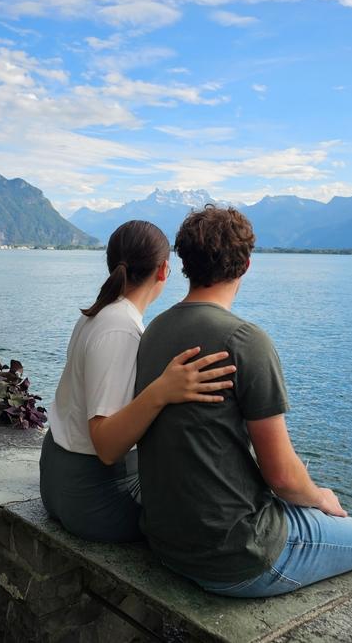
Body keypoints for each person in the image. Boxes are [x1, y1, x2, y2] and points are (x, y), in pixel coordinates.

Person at [135, 206, 352, 596]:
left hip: (167, 544)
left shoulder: (154, 330)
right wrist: (320, 497)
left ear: (184, 262)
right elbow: (284, 478)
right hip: (237, 557)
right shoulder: (245, 341)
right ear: (246, 265)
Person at [39, 219, 235, 543]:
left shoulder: (100, 314)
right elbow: (105, 446)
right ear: (163, 271)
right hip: (93, 500)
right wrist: (162, 390)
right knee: (206, 514)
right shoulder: (120, 328)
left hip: (61, 480)